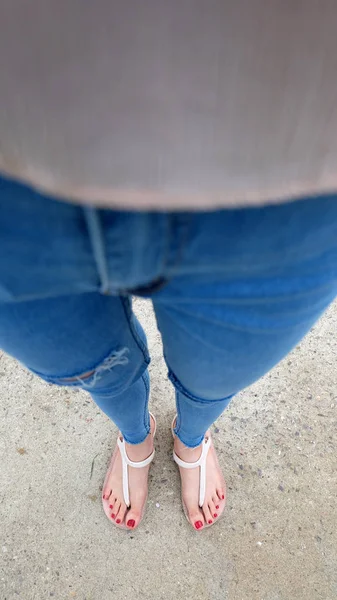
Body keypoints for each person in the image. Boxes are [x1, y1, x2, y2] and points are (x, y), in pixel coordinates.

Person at [1, 3, 337, 531]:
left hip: (292, 161)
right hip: (17, 192)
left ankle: (191, 436)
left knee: (215, 376)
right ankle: (135, 437)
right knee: (92, 368)